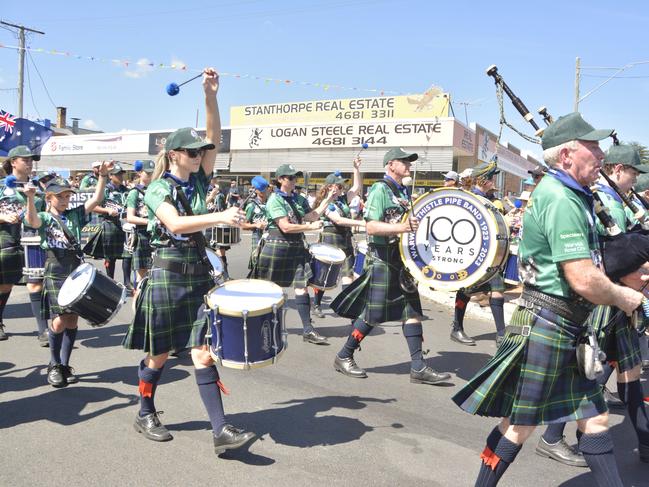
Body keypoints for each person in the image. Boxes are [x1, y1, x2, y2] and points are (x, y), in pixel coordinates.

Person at [452, 113, 645, 487]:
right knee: (518, 426)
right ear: (567, 155)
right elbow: (582, 278)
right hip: (547, 322)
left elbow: (593, 261)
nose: (601, 153)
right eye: (592, 146)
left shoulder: (576, 195)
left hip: (569, 324)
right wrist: (626, 296)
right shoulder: (559, 198)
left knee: (595, 419)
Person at [122, 68, 257, 454]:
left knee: (202, 351)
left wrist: (211, 96)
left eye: (201, 152)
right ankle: (144, 410)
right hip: (167, 273)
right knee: (159, 354)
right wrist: (218, 217)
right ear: (174, 155)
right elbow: (176, 222)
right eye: (193, 152)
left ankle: (220, 429)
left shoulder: (197, 180)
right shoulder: (157, 188)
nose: (200, 155)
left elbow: (214, 137)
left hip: (197, 274)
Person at [534, 144, 649, 467]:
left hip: (620, 296)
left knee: (626, 370)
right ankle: (552, 436)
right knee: (592, 373)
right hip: (606, 295)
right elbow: (606, 257)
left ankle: (643, 439)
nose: (635, 179)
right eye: (633, 172)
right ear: (617, 170)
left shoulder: (617, 202)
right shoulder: (599, 200)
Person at [330, 148, 451, 385]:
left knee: (412, 312)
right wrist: (404, 228)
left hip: (400, 258)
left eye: (410, 162)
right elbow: (372, 227)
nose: (409, 165)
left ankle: (418, 367)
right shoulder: (380, 189)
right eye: (404, 162)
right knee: (372, 314)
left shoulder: (402, 191)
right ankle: (344, 355)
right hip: (383, 258)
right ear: (391, 164)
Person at [24, 163, 112, 387]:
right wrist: (30, 199)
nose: (65, 200)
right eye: (60, 196)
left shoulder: (74, 215)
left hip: (75, 270)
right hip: (55, 269)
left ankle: (64, 364)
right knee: (59, 321)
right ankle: (53, 364)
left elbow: (97, 199)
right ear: (50, 197)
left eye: (67, 196)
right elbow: (32, 222)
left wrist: (102, 176)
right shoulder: (44, 216)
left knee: (72, 319)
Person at [250, 163, 335, 345]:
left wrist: (328, 199)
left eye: (295, 177)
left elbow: (311, 215)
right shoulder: (274, 199)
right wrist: (309, 227)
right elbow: (286, 227)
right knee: (268, 290)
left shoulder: (298, 198)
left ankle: (308, 330)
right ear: (280, 179)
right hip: (276, 247)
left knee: (301, 287)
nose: (294, 180)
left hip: (296, 247)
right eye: (290, 177)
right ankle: (259, 328)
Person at [450, 161, 508, 346]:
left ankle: (501, 334)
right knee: (465, 291)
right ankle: (457, 328)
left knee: (497, 292)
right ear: (482, 180)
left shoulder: (488, 199)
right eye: (490, 178)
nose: (493, 181)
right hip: (473, 253)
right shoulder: (470, 197)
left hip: (490, 253)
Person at [0, 146, 47, 343]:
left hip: (32, 239)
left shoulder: (38, 187)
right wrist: (3, 216)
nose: (29, 163)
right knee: (4, 284)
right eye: (24, 159)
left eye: (31, 160)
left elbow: (45, 212)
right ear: (13, 162)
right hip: (6, 239)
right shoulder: (2, 186)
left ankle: (43, 329)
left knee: (36, 283)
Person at [311, 158, 365, 318]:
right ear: (329, 187)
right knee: (326, 274)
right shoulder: (325, 203)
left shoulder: (342, 199)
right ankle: (317, 304)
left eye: (342, 185)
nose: (343, 188)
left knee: (348, 274)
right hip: (330, 237)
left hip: (345, 237)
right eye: (339, 185)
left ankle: (346, 306)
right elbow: (338, 220)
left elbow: (357, 187)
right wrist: (362, 223)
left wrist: (356, 168)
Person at [84, 163, 133, 291]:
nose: (120, 176)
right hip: (110, 224)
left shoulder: (126, 190)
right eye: (117, 174)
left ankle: (127, 281)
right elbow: (93, 206)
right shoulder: (105, 189)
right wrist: (107, 210)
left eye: (121, 174)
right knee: (110, 256)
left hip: (125, 224)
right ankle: (110, 280)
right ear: (111, 176)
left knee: (128, 253)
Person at [125, 160, 155, 286]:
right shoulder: (134, 192)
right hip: (142, 234)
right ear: (140, 173)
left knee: (156, 271)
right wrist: (150, 221)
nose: (150, 175)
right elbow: (130, 217)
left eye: (152, 173)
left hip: (157, 234)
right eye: (147, 173)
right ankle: (139, 302)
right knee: (141, 273)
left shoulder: (157, 190)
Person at [239, 175, 269, 270]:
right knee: (258, 265)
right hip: (258, 237)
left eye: (266, 189)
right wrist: (256, 225)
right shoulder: (252, 205)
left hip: (271, 237)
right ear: (256, 190)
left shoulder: (271, 203)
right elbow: (243, 225)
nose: (264, 192)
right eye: (262, 190)